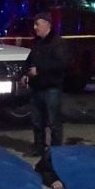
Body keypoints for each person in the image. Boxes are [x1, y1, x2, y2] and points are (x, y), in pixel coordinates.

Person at [23, 12, 67, 154]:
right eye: (34, 24)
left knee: (53, 122)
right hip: (37, 87)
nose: (34, 27)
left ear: (47, 24)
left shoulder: (57, 43)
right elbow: (30, 60)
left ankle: (55, 151)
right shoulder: (37, 42)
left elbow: (60, 63)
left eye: (37, 24)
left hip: (51, 88)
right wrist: (25, 73)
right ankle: (39, 147)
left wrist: (39, 70)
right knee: (37, 121)